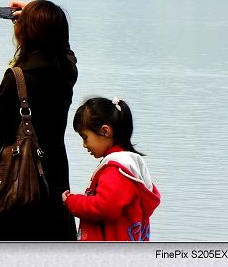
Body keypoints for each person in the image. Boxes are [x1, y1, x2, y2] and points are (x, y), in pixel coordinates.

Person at [0, 0, 78, 241]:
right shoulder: (66, 70)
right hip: (54, 177)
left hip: (20, 184)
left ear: (27, 32)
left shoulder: (18, 77)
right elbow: (66, 50)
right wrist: (41, 15)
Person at [62, 97, 161, 241]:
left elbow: (103, 208)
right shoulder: (131, 166)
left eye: (85, 137)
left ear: (105, 131)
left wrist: (72, 201)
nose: (84, 145)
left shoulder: (116, 170)